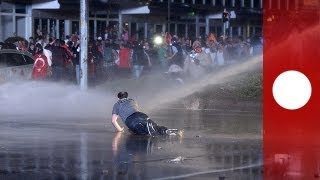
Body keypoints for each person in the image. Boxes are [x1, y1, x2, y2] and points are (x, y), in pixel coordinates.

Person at [111, 92, 180, 136]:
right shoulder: (132, 100)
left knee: (141, 132)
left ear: (118, 98)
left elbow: (113, 121)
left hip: (130, 120)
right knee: (155, 126)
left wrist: (120, 130)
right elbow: (135, 108)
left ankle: (147, 129)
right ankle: (165, 130)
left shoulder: (116, 105)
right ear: (127, 96)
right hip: (140, 115)